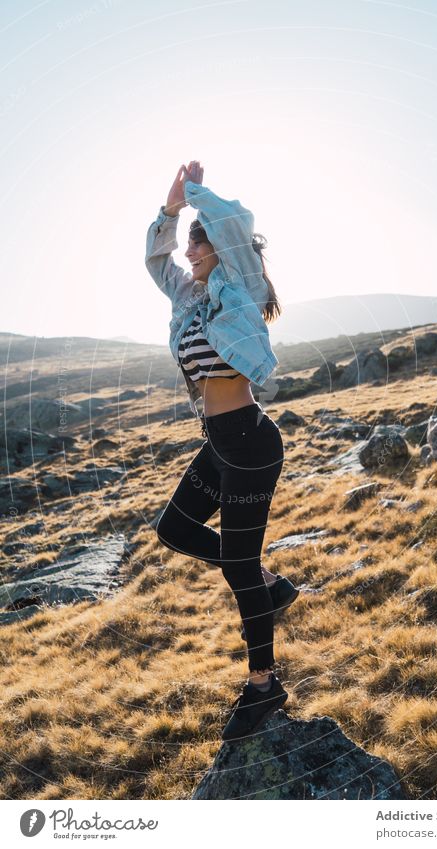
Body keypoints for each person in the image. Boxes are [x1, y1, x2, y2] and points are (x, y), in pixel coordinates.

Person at [145, 160, 300, 741]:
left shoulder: (238, 285)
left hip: (252, 443)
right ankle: (270, 585)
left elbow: (234, 225)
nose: (190, 253)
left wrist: (196, 195)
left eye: (198, 244)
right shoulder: (189, 298)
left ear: (219, 248)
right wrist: (169, 212)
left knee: (235, 565)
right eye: (189, 245)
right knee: (175, 530)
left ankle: (264, 685)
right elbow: (156, 261)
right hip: (219, 443)